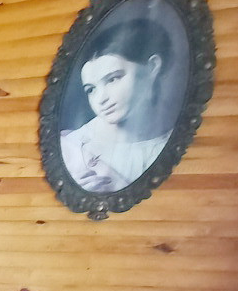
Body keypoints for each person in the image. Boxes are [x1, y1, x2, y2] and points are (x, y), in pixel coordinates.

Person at [59, 16, 173, 192]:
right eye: (91, 89)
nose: (101, 99)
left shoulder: (171, 145)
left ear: (152, 67)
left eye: (113, 79)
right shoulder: (72, 147)